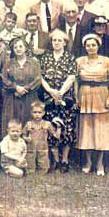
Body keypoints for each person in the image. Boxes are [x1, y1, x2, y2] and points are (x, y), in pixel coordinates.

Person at [76, 33, 109, 176]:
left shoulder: (106, 61)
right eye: (88, 45)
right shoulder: (79, 61)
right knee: (86, 130)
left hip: (101, 95)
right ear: (84, 47)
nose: (91, 48)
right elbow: (76, 80)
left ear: (98, 46)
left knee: (101, 130)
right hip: (85, 95)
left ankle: (100, 163)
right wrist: (76, 98)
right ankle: (88, 162)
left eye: (93, 45)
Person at [38, 29, 78, 172]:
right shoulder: (45, 57)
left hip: (65, 97)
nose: (56, 43)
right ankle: (54, 160)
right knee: (51, 126)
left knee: (67, 128)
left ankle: (65, 160)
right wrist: (50, 91)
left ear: (65, 42)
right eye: (54, 40)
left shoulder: (70, 58)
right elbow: (40, 76)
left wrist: (60, 93)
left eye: (59, 40)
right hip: (49, 97)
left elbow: (72, 77)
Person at [0, 37, 41, 136]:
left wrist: (25, 89)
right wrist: (15, 87)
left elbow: (38, 79)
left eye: (20, 46)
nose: (18, 49)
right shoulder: (9, 63)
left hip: (29, 97)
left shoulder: (34, 62)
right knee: (13, 122)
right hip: (13, 98)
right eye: (15, 47)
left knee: (29, 122)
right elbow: (4, 78)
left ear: (25, 48)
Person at [22, 100, 60, 175]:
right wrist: (26, 138)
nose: (37, 114)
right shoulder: (28, 124)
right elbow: (23, 135)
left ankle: (43, 171)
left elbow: (56, 136)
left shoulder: (47, 124)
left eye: (39, 112)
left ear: (43, 113)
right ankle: (31, 170)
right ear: (31, 113)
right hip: (31, 148)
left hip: (43, 148)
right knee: (30, 169)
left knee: (43, 169)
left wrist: (59, 127)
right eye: (35, 112)